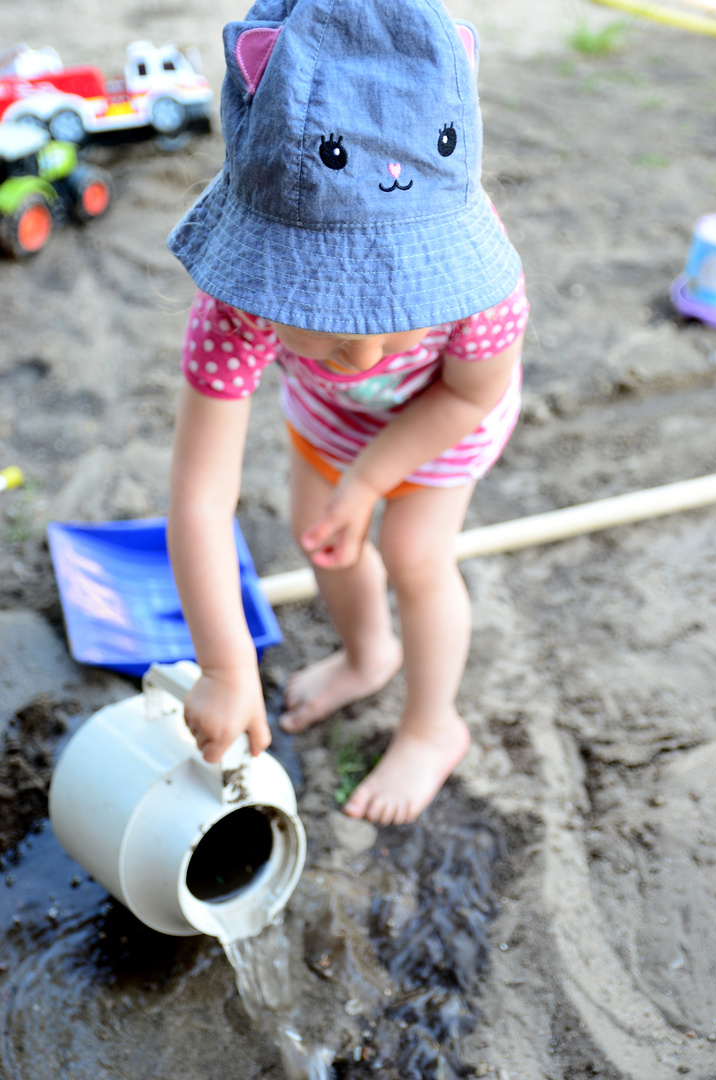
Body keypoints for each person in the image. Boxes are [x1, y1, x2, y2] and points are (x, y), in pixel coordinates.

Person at [166, 0, 527, 826]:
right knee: (317, 527)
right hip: (327, 418)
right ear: (265, 275)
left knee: (411, 549)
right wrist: (224, 667)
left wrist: (369, 479)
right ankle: (368, 654)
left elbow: (469, 394)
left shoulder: (479, 288)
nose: (364, 352)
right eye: (328, 321)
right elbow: (199, 498)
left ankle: (435, 726)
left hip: (440, 415)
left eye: (394, 310)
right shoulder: (237, 304)